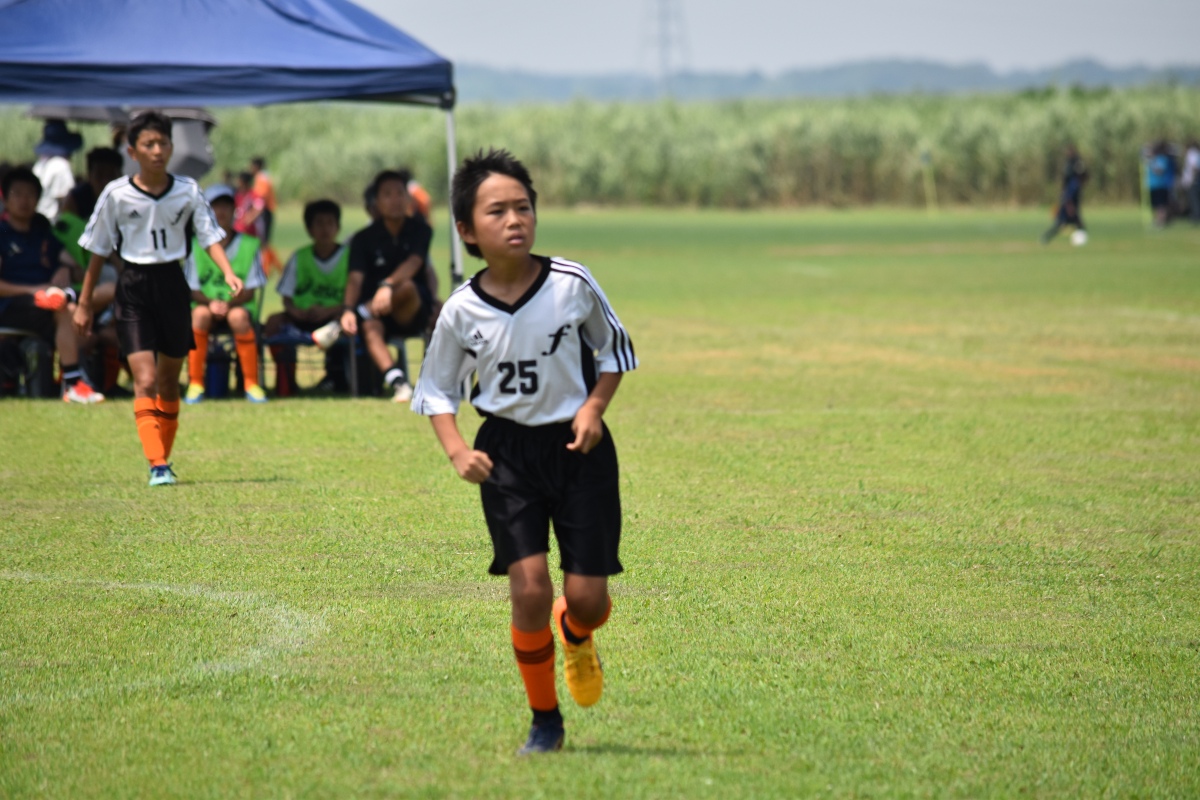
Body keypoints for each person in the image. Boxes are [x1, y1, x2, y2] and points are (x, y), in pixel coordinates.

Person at [411, 149, 638, 755]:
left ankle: (575, 631)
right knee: (530, 588)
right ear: (467, 230)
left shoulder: (571, 283)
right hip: (506, 456)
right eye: (497, 211)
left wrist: (593, 408)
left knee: (587, 600)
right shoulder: (460, 309)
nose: (515, 219)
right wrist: (457, 451)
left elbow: (615, 352)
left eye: (523, 207)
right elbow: (436, 391)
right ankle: (545, 720)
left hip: (579, 448)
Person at [75, 111, 243, 487]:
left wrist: (228, 272)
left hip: (172, 285)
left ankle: (163, 456)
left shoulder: (188, 190)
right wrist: (84, 302)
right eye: (148, 144)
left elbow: (209, 236)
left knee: (168, 380)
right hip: (133, 286)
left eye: (163, 143)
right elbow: (98, 250)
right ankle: (157, 464)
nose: (156, 151)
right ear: (132, 151)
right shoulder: (116, 194)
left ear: (171, 147)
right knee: (145, 378)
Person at [0, 166, 103, 403]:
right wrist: (33, 289)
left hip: (48, 302)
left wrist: (64, 269)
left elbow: (76, 269)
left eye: (30, 194)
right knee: (64, 308)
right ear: (5, 199)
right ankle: (73, 383)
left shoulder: (43, 232)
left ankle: (72, 380)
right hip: (11, 305)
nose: (24, 200)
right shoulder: (2, 234)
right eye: (17, 194)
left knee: (82, 308)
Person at [340, 170, 435, 402]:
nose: (395, 200)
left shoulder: (421, 230)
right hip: (378, 313)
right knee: (370, 328)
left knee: (407, 287)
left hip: (413, 309)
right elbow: (355, 279)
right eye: (388, 194)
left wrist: (387, 285)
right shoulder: (362, 238)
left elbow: (415, 262)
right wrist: (347, 310)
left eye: (400, 193)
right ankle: (398, 382)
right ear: (377, 202)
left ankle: (363, 311)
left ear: (408, 198)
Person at [183, 184, 268, 404]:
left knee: (238, 317)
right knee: (199, 315)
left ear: (234, 210)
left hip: (237, 307)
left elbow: (251, 290)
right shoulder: (195, 245)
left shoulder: (249, 244)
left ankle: (251, 384)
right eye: (215, 207)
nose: (221, 212)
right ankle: (195, 383)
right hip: (205, 306)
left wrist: (228, 305)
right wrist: (212, 304)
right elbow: (191, 289)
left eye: (226, 206)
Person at [262, 199, 346, 395]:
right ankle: (285, 380)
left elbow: (355, 298)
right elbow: (286, 297)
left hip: (335, 318)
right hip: (301, 317)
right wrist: (297, 312)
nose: (325, 229)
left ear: (338, 227)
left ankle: (338, 377)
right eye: (319, 223)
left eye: (330, 223)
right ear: (309, 229)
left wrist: (329, 311)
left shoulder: (349, 257)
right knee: (273, 322)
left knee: (347, 321)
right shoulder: (299, 257)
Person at [31, 119, 82, 220]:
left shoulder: (39, 164)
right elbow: (65, 199)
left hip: (37, 217)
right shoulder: (61, 165)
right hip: (52, 221)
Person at [1041, 144, 1089, 244]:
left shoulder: (1075, 164)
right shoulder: (1074, 181)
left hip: (1070, 201)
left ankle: (1081, 239)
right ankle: (1046, 238)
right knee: (1063, 222)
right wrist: (1069, 205)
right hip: (1069, 202)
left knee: (1075, 223)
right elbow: (1069, 194)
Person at [1147, 141, 1176, 228]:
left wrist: (1152, 163)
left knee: (1161, 205)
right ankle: (1157, 221)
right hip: (1153, 185)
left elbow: (1160, 171)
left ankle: (1162, 222)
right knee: (1156, 205)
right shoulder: (1153, 159)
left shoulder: (1161, 159)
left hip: (1160, 185)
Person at [1182, 139, 1200, 224]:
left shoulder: (1192, 153)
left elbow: (1194, 167)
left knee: (1194, 199)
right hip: (1195, 180)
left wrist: (1191, 180)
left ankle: (1196, 217)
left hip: (1193, 180)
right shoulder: (1196, 153)